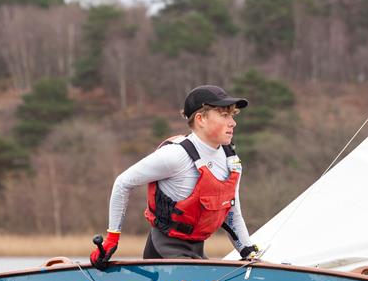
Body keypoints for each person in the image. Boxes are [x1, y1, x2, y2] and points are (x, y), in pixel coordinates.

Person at [90, 85, 258, 269]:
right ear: (201, 119)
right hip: (163, 252)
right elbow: (122, 183)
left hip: (196, 251)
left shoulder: (231, 160)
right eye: (224, 115)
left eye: (232, 115)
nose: (232, 122)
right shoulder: (174, 156)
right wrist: (111, 240)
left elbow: (232, 213)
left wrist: (248, 252)